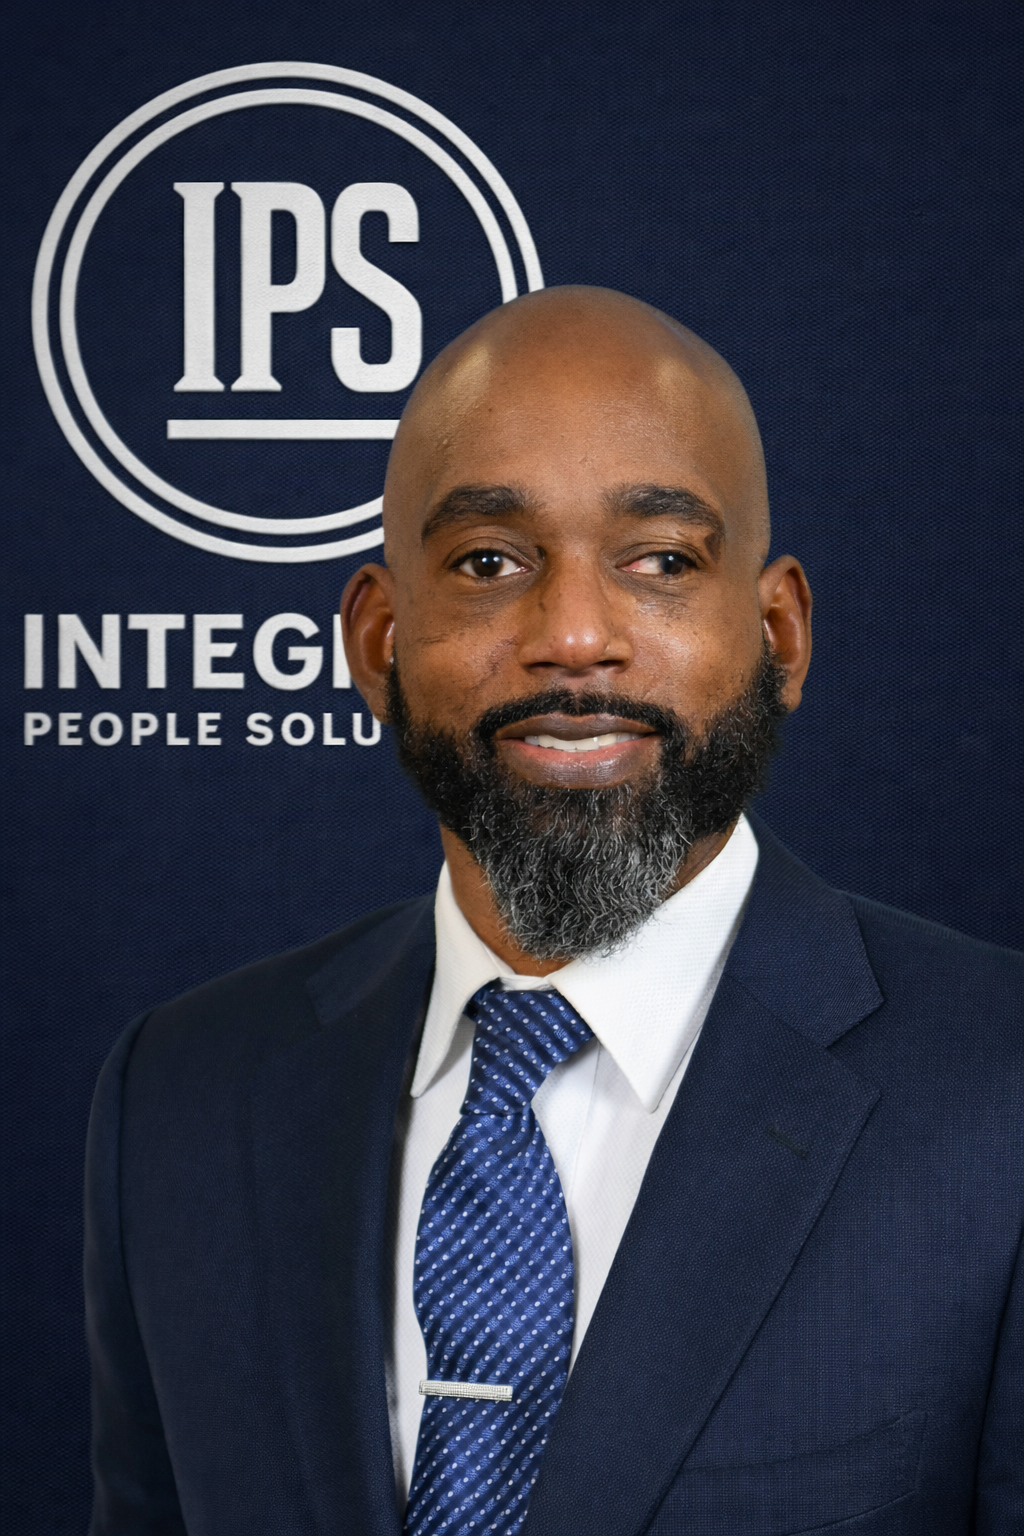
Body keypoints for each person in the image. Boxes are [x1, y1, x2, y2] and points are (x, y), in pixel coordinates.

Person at [85, 288, 1023, 1536]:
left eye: (659, 562)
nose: (573, 636)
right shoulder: (179, 1094)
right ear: (376, 640)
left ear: (778, 634)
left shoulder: (999, 1090)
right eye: (488, 562)